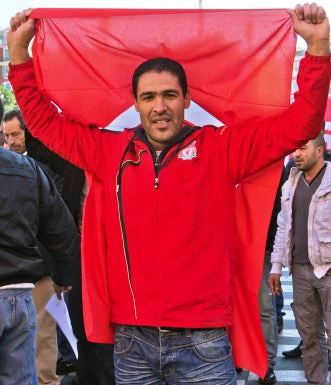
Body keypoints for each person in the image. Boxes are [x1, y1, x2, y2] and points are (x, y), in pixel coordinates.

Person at [7, 4, 331, 384]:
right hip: (131, 340)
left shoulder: (221, 149)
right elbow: (44, 123)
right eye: (148, 97)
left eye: (169, 95)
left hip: (204, 342)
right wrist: (17, 55)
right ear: (135, 103)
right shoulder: (109, 152)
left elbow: (300, 124)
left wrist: (318, 49)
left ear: (187, 98)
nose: (159, 107)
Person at [0, 141, 80, 384]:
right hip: (19, 294)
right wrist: (65, 275)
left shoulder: (28, 168)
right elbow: (61, 228)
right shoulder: (26, 168)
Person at [269, 133, 331, 385]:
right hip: (301, 271)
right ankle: (315, 381)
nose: (296, 154)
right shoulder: (290, 183)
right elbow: (283, 227)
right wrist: (275, 266)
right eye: (295, 149)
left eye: (303, 148)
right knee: (309, 335)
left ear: (320, 151)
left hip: (328, 270)